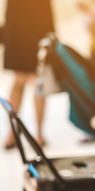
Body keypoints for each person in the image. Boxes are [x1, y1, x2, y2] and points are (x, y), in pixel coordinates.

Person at [3, 0, 55, 149]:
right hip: (19, 30)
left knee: (32, 81)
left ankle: (35, 133)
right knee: (24, 81)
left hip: (31, 30)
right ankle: (18, 133)